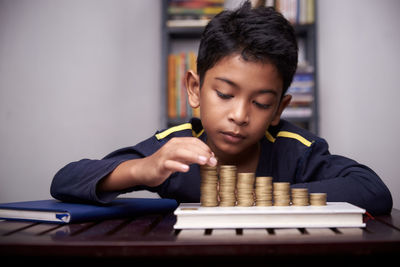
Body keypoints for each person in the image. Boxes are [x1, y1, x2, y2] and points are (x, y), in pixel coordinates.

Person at [50, 2, 392, 215]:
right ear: (195, 89)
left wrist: (262, 196)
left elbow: (373, 190)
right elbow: (65, 180)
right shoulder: (176, 148)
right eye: (225, 95)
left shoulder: (295, 151)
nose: (240, 115)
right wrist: (144, 169)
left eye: (260, 103)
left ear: (278, 110)